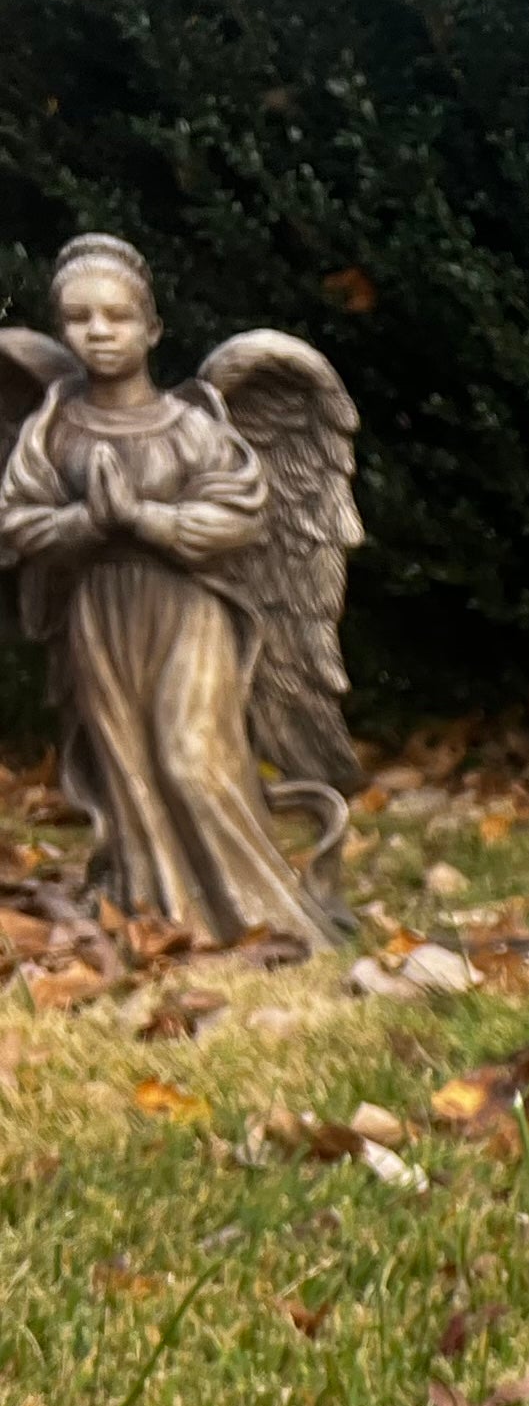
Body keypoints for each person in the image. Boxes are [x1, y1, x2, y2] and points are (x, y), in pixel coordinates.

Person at [0, 234, 354, 950]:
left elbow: (241, 513)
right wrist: (83, 524)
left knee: (192, 754)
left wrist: (147, 519)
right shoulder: (53, 428)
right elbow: (17, 519)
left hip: (188, 611)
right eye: (78, 318)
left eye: (117, 316)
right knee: (127, 765)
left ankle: (258, 916)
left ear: (153, 329)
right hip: (100, 615)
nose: (98, 332)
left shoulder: (192, 426)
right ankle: (162, 917)